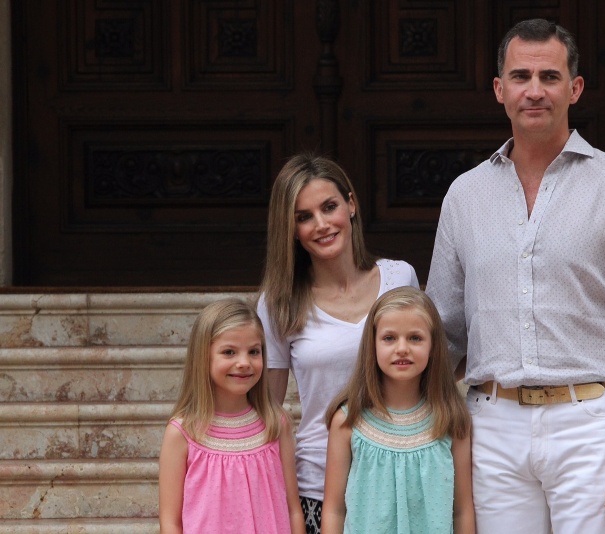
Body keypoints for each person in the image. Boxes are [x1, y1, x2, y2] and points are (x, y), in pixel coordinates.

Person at [425, 18, 605, 533]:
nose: (534, 91)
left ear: (574, 88)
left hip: (592, 423)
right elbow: (444, 328)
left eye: (550, 77)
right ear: (500, 90)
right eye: (520, 77)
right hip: (493, 424)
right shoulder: (465, 196)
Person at [256, 154, 419, 533]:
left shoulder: (399, 277)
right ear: (291, 229)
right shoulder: (279, 302)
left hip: (398, 470)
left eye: (329, 207)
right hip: (317, 483)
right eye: (304, 216)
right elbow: (268, 411)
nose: (322, 224)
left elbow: (427, 379)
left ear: (351, 204)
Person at [321, 286, 475, 533]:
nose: (402, 348)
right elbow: (334, 510)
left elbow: (462, 510)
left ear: (434, 346)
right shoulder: (348, 421)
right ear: (372, 344)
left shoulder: (451, 420)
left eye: (415, 338)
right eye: (389, 338)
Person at [158, 298, 305, 534]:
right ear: (203, 357)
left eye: (254, 352)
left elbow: (293, 510)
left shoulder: (276, 424)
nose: (244, 362)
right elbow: (170, 522)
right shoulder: (183, 433)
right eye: (229, 352)